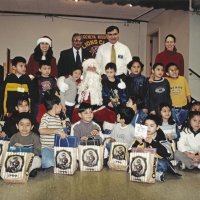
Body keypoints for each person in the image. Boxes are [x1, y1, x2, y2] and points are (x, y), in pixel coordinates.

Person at [131, 114, 181, 182]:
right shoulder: (141, 135)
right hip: (143, 161)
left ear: (157, 127)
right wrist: (138, 143)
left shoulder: (160, 136)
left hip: (156, 161)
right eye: (146, 125)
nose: (148, 128)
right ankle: (152, 173)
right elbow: (130, 151)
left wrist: (152, 142)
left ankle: (156, 173)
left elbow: (166, 154)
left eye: (151, 126)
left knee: (163, 164)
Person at [71, 58, 116, 133]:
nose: (91, 70)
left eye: (93, 68)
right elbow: (69, 79)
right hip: (83, 107)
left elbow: (111, 81)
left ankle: (107, 134)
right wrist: (62, 80)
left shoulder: (101, 80)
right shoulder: (81, 81)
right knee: (75, 116)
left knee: (111, 115)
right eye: (89, 68)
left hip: (97, 107)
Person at [9, 112, 41, 177]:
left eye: (27, 125)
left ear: (32, 127)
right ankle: (15, 170)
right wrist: (14, 147)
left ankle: (29, 170)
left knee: (38, 160)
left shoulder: (35, 137)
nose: (24, 127)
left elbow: (38, 151)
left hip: (29, 160)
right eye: (21, 124)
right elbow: (9, 150)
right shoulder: (14, 137)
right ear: (17, 126)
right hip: (17, 160)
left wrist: (25, 149)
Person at [39, 94, 66, 169]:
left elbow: (61, 133)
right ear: (55, 105)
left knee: (65, 162)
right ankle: (44, 160)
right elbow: (41, 130)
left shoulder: (58, 118)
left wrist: (64, 131)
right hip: (47, 148)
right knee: (49, 163)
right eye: (61, 104)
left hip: (57, 148)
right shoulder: (45, 116)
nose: (62, 106)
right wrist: (56, 131)